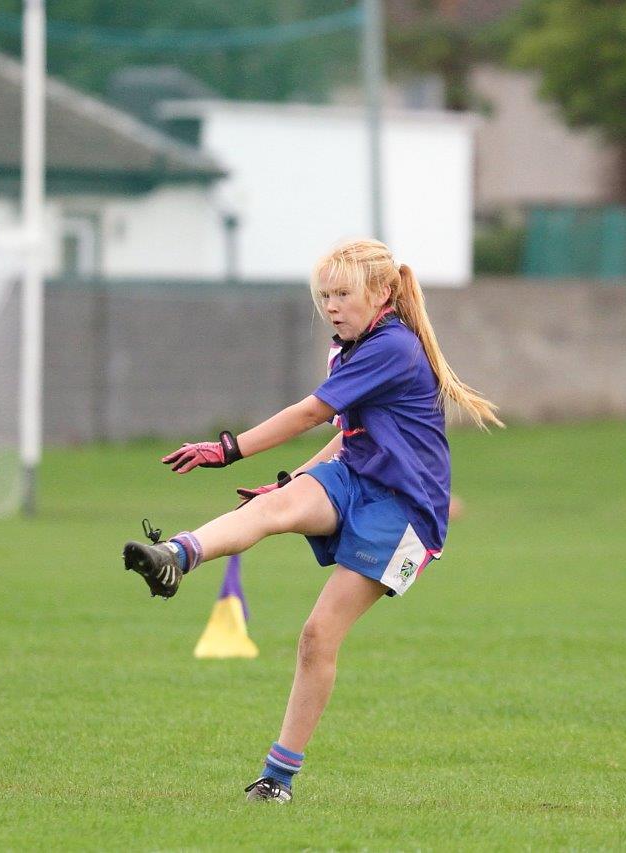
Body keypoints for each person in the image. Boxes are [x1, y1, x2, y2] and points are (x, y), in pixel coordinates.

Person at [121, 239, 502, 803]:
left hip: (403, 514)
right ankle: (175, 556)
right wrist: (288, 481)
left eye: (343, 294)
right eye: (324, 296)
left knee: (317, 637)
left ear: (381, 293)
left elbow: (310, 412)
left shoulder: (393, 347)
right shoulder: (349, 346)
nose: (331, 306)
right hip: (354, 478)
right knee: (269, 507)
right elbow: (343, 433)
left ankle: (277, 780)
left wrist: (228, 448)